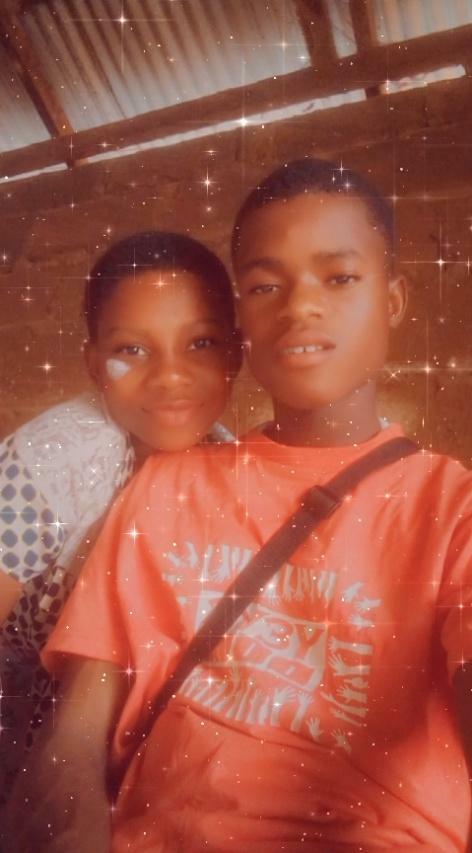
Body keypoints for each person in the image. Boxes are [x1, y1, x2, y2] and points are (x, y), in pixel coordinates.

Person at [9, 160, 472, 852]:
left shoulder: (451, 509)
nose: (301, 306)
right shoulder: (163, 481)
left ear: (394, 299)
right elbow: (75, 729)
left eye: (339, 277)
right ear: (241, 321)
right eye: (264, 285)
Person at [0, 229, 239, 811]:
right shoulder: (50, 462)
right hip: (31, 739)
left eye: (201, 343)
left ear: (237, 352)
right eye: (132, 350)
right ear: (94, 363)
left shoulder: (231, 463)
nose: (170, 376)